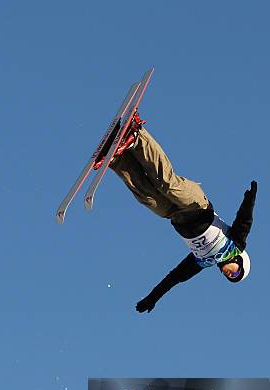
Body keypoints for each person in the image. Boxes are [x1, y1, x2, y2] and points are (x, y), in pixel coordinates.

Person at [103, 115, 258, 313]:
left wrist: (152, 298)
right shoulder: (236, 245)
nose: (229, 275)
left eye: (230, 279)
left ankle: (118, 159)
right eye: (236, 274)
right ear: (240, 262)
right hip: (197, 206)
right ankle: (138, 135)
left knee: (147, 197)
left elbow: (174, 277)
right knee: (167, 184)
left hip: (174, 215)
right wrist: (250, 198)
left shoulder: (202, 261)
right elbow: (244, 221)